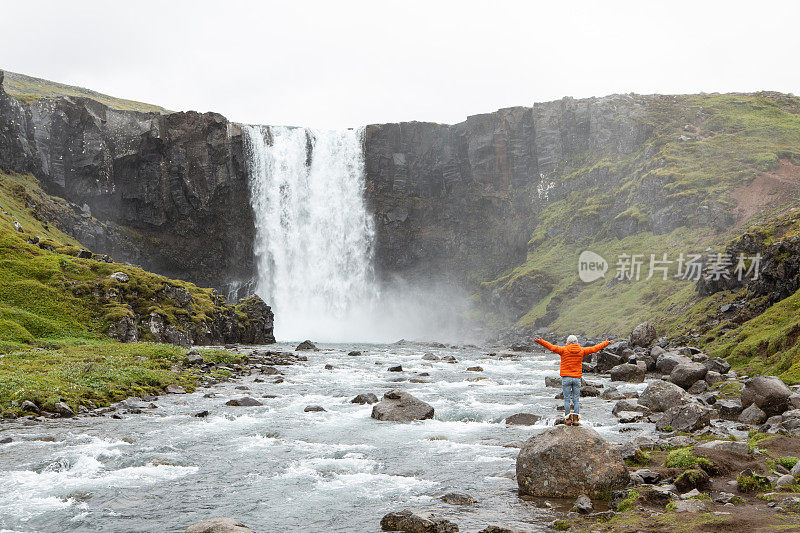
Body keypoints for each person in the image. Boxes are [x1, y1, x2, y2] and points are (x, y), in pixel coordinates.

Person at [532, 335, 610, 426]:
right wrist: (606, 343)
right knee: (576, 399)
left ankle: (568, 419)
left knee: (567, 399)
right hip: (577, 378)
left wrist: (539, 341)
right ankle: (576, 420)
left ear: (567, 342)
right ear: (576, 342)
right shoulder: (582, 350)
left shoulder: (563, 350)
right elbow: (594, 349)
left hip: (566, 378)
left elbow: (551, 347)